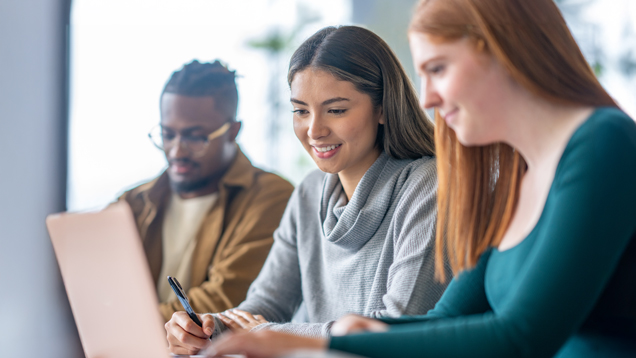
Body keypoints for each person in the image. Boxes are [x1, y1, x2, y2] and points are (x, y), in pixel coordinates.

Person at [198, 0, 636, 357]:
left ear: (503, 51)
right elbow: (445, 317)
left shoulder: (603, 142)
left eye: (439, 69)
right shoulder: (517, 172)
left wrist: (318, 341)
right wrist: (354, 331)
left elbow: (522, 336)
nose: (425, 96)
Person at [164, 26, 451, 355]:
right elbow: (266, 304)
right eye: (300, 110)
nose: (314, 130)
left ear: (383, 107)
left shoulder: (431, 186)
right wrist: (209, 328)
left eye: (336, 110)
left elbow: (395, 330)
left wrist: (269, 333)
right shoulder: (309, 192)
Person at [119, 60, 294, 322]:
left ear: (233, 131)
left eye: (195, 137)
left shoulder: (271, 197)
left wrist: (124, 324)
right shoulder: (132, 202)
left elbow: (224, 303)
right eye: (168, 135)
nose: (177, 151)